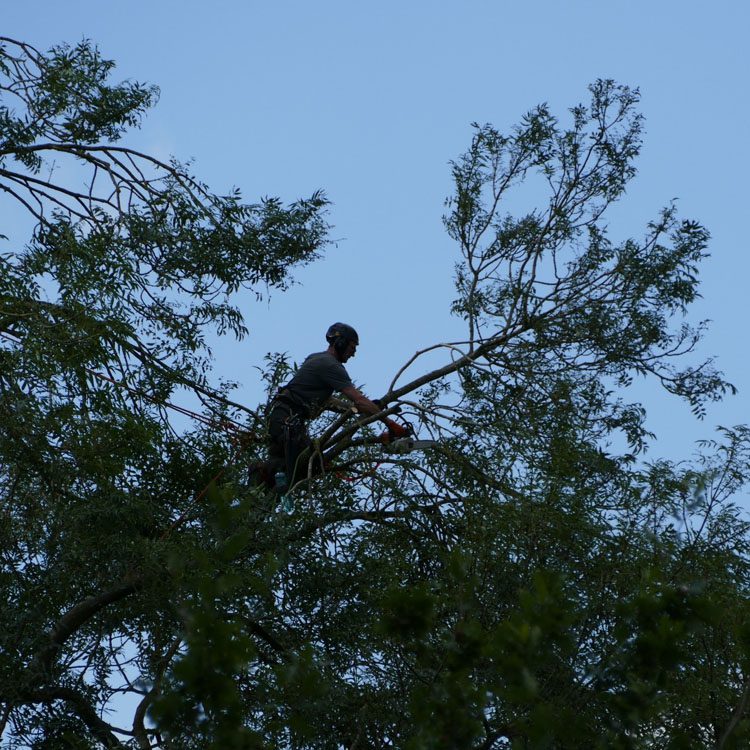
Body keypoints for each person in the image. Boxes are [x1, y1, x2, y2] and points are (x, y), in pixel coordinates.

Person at [264, 322, 409, 491]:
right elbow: (358, 399)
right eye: (352, 347)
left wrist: (362, 409)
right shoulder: (331, 365)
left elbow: (330, 401)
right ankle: (261, 477)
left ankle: (259, 492)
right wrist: (390, 423)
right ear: (341, 343)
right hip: (287, 422)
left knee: (283, 470)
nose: (353, 354)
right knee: (309, 466)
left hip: (283, 419)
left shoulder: (316, 357)